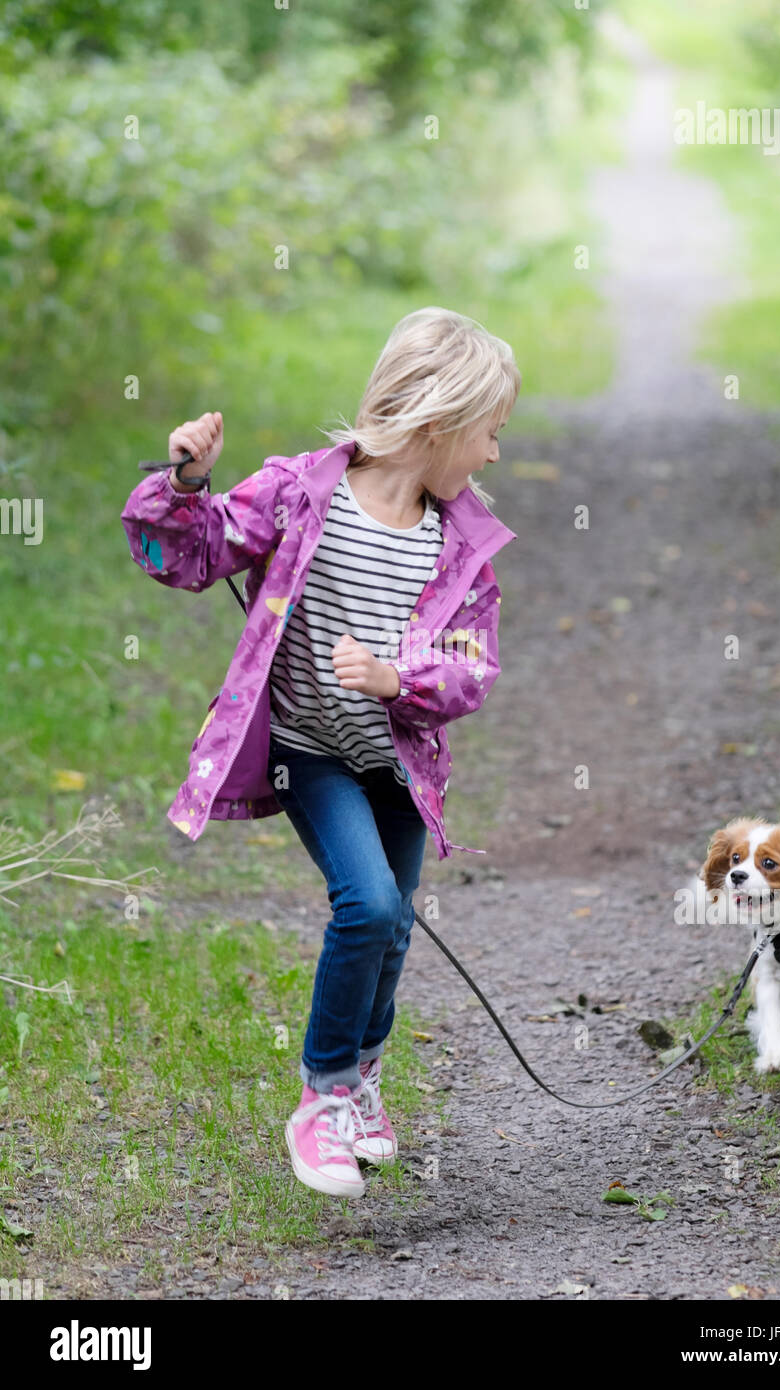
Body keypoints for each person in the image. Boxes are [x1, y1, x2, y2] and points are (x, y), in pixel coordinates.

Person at [121, 306, 520, 1198]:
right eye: (489, 433)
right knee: (369, 906)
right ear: (438, 419)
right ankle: (324, 1096)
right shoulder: (304, 492)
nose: (494, 455)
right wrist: (183, 485)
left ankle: (364, 1080)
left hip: (397, 767)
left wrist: (399, 681)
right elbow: (191, 556)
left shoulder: (458, 543)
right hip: (313, 750)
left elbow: (472, 666)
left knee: (395, 924)